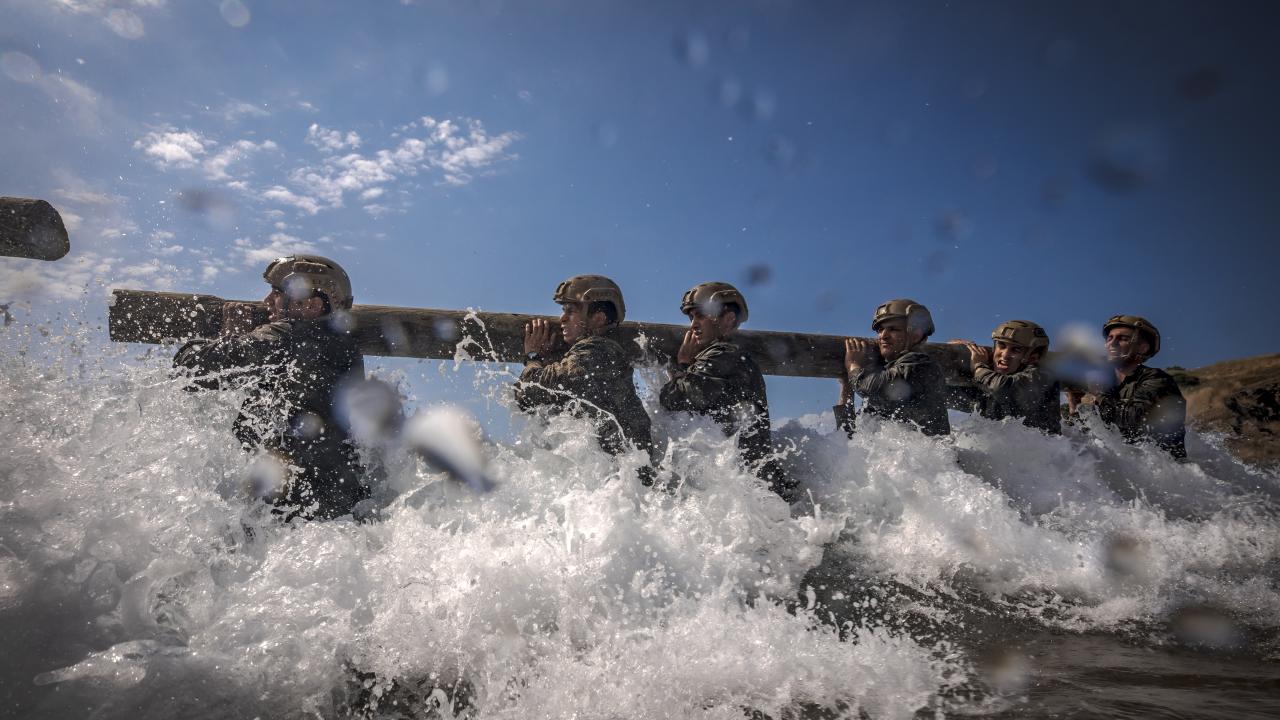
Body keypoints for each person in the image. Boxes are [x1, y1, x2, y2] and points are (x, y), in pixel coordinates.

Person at [173, 254, 369, 520]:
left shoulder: (285, 336)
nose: (266, 303)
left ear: (310, 305)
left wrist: (230, 335)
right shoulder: (346, 349)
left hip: (289, 509)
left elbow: (189, 371)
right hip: (337, 505)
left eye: (276, 293)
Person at [658, 282, 795, 500]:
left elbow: (674, 398)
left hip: (749, 492)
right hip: (748, 489)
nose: (692, 325)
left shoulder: (725, 354)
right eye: (691, 318)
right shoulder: (721, 357)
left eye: (701, 316)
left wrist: (683, 363)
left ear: (728, 319)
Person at [514, 274, 655, 471]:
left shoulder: (599, 351)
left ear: (598, 319)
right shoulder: (593, 354)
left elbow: (528, 390)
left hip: (623, 483)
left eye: (570, 312)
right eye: (563, 311)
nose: (561, 318)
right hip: (618, 482)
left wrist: (533, 355)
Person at [1068, 315, 1186, 459]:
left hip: (1164, 470)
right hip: (1125, 466)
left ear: (1143, 348)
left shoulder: (1157, 379)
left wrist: (1098, 394)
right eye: (1109, 338)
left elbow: (1134, 419)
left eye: (1122, 339)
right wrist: (1074, 406)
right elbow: (1080, 432)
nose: (1112, 343)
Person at [834, 298, 950, 437]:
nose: (883, 336)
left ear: (916, 335)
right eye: (880, 329)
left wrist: (853, 366)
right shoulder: (887, 375)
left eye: (893, 329)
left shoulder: (920, 364)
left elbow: (872, 389)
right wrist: (846, 387)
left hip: (930, 457)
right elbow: (847, 440)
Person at [951, 320, 1061, 434]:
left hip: (1043, 448)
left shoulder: (1042, 376)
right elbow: (946, 394)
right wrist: (958, 353)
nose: (1005, 355)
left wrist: (978, 367)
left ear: (1032, 358)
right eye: (1001, 345)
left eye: (1016, 349)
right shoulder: (989, 380)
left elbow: (1002, 388)